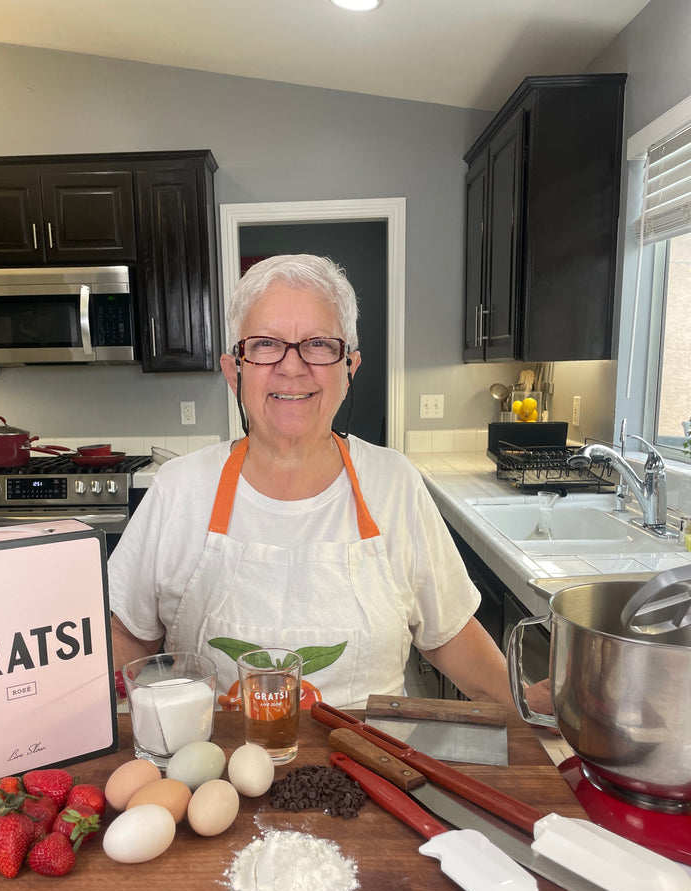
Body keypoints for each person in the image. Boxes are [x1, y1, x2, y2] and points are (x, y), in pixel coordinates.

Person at [109, 253, 524, 712]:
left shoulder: (394, 484)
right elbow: (128, 632)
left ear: (349, 370)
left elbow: (448, 632)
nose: (291, 367)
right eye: (266, 344)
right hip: (214, 773)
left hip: (373, 769)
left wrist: (527, 703)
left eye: (319, 344)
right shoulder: (179, 488)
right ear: (235, 371)